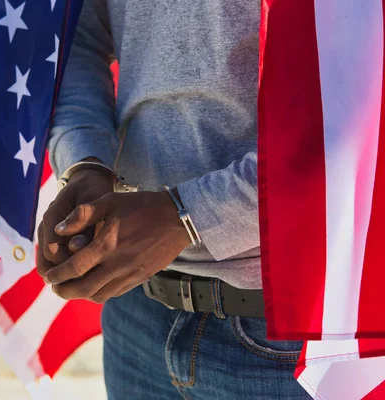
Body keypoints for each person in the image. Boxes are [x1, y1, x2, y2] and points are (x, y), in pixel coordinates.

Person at [36, 0, 310, 398]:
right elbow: (78, 33)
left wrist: (187, 216)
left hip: (287, 336)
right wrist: (84, 162)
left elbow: (359, 109)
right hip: (137, 314)